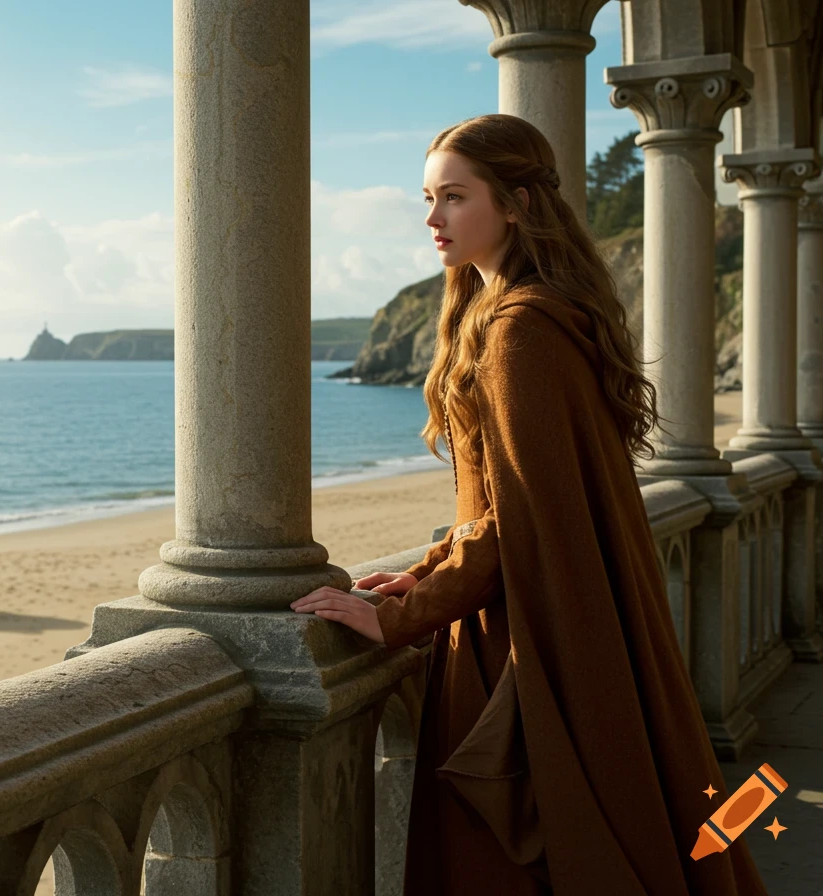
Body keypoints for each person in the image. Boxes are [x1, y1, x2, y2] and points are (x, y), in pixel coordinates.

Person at [289, 114, 768, 895]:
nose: (432, 218)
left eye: (453, 196)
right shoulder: (530, 311)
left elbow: (519, 520)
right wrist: (422, 571)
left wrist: (403, 617)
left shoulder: (518, 331)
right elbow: (502, 500)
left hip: (522, 636)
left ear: (513, 204)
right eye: (428, 197)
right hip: (541, 614)